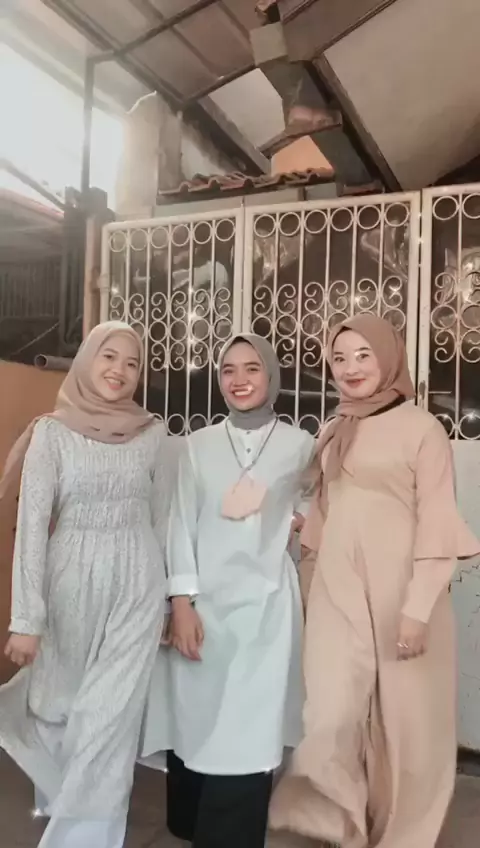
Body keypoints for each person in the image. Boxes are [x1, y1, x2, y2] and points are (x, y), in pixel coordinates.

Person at [269, 313, 480, 848]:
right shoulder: (336, 428)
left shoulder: (423, 429)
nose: (350, 368)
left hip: (402, 593)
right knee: (332, 712)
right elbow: (323, 507)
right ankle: (341, 825)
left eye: (363, 355)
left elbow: (437, 519)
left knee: (408, 725)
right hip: (337, 586)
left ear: (388, 357)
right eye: (339, 358)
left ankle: (402, 835)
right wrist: (307, 569)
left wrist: (418, 608)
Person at [0, 321, 170, 848]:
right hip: (68, 582)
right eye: (109, 356)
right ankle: (63, 807)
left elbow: (164, 518)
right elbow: (31, 526)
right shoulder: (52, 433)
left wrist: (171, 602)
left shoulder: (153, 433)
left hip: (138, 583)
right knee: (56, 709)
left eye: (132, 363)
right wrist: (26, 619)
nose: (120, 370)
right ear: (86, 360)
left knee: (108, 722)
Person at [163, 332, 315, 848]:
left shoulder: (300, 445)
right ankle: (191, 823)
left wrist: (298, 519)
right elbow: (180, 523)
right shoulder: (198, 445)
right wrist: (181, 602)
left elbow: (319, 503)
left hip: (268, 609)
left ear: (271, 375)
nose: (239, 380)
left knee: (251, 728)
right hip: (206, 605)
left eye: (252, 368)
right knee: (200, 719)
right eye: (228, 370)